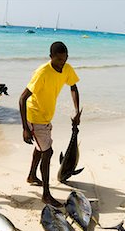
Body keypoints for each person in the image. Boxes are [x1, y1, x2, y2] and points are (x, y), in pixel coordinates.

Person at [19, 41, 81, 207]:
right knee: (47, 152)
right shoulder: (42, 72)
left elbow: (73, 87)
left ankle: (32, 175)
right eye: (59, 59)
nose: (62, 62)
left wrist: (76, 111)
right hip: (34, 116)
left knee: (41, 149)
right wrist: (25, 127)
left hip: (46, 117)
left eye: (65, 58)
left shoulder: (67, 68)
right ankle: (46, 194)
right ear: (51, 57)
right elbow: (22, 98)